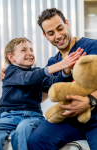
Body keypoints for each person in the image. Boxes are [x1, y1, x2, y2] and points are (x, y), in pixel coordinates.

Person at [0, 37, 83, 150]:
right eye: (24, 50)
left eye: (31, 50)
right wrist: (59, 65)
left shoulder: (37, 72)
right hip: (8, 116)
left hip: (33, 116)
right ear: (11, 57)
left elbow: (55, 83)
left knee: (23, 128)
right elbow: (26, 78)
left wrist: (66, 69)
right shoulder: (10, 72)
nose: (30, 53)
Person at [27, 8, 97, 150]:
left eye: (60, 28)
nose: (58, 36)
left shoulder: (91, 47)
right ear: (45, 36)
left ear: (67, 23)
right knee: (37, 140)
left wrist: (89, 100)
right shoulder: (53, 63)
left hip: (95, 120)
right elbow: (41, 96)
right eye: (51, 33)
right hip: (69, 121)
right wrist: (13, 76)